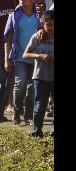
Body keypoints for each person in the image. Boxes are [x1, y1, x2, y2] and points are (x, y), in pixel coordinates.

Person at [4, 0, 41, 126]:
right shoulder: (13, 16)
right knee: (20, 85)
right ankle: (17, 111)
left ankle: (29, 115)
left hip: (36, 58)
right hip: (19, 57)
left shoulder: (39, 17)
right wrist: (7, 59)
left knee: (32, 88)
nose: (22, 0)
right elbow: (7, 39)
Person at [23, 8, 54, 137]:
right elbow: (25, 54)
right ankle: (37, 131)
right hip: (40, 76)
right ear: (43, 24)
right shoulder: (37, 37)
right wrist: (39, 56)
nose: (52, 28)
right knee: (40, 105)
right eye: (49, 25)